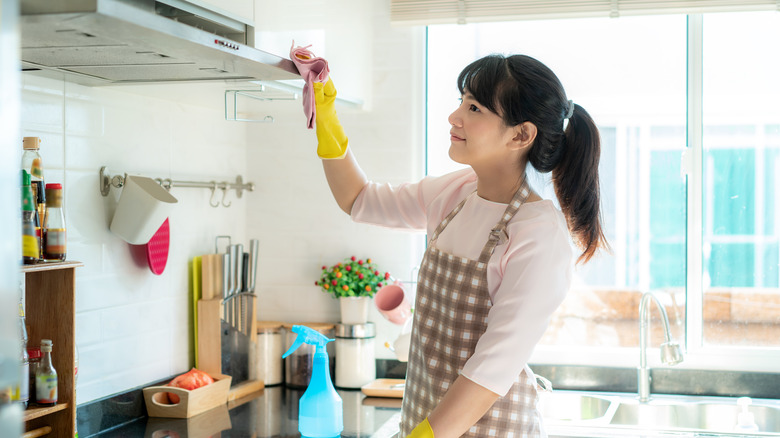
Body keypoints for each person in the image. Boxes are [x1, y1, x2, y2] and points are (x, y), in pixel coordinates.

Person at [309, 53, 608, 437]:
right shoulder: (456, 193)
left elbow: (492, 367)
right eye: (461, 101)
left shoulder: (537, 233)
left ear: (520, 135)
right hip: (426, 420)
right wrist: (326, 116)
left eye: (475, 107)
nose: (455, 116)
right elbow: (359, 200)